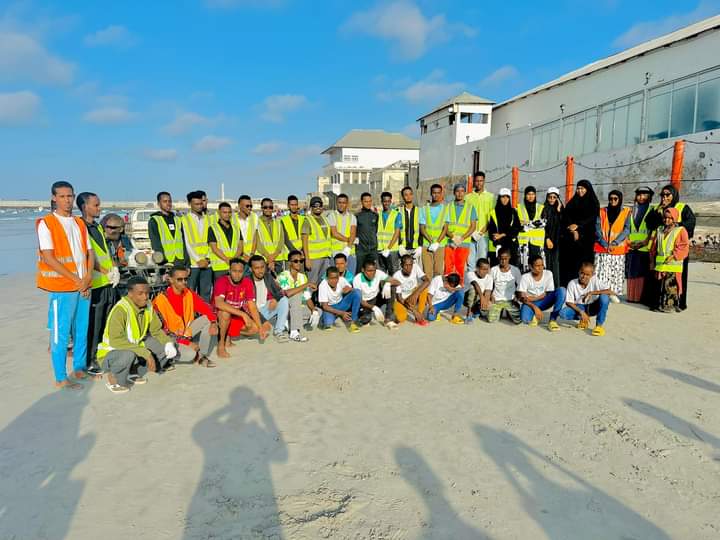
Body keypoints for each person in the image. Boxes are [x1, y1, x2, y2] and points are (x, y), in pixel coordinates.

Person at [37, 181, 93, 390]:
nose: (67, 200)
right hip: (62, 288)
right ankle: (61, 377)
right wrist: (77, 280)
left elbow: (90, 252)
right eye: (62, 196)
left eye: (70, 196)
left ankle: (79, 368)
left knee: (81, 330)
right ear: (54, 198)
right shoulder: (47, 223)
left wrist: (87, 277)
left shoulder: (79, 223)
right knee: (60, 334)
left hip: (83, 286)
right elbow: (50, 258)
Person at [96, 276, 178, 393]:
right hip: (111, 354)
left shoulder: (148, 306)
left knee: (168, 344)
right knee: (128, 355)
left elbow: (156, 330)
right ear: (130, 294)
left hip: (133, 347)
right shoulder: (120, 310)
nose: (145, 297)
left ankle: (133, 371)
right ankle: (113, 378)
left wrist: (168, 343)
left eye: (147, 293)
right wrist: (146, 353)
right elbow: (116, 341)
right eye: (140, 293)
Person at [77, 192, 119, 377]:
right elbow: (87, 256)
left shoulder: (97, 227)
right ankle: (90, 359)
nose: (99, 208)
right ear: (85, 207)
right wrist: (105, 272)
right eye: (96, 205)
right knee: (93, 325)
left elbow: (106, 253)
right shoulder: (80, 227)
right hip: (95, 283)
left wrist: (114, 269)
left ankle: (102, 354)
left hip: (108, 283)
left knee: (105, 323)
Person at [152, 265, 218, 367]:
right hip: (170, 339)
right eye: (180, 279)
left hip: (185, 332)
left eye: (186, 279)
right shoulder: (160, 301)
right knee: (190, 355)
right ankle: (168, 358)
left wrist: (213, 322)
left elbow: (205, 307)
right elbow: (162, 332)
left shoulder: (188, 293)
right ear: (170, 280)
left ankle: (201, 355)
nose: (184, 282)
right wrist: (186, 343)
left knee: (208, 319)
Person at [646, 184, 696, 311]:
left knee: (677, 280)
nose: (664, 197)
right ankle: (656, 303)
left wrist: (676, 224)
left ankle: (678, 303)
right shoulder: (658, 208)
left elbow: (690, 223)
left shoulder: (682, 207)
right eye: (662, 195)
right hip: (660, 250)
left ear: (674, 195)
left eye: (667, 195)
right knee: (657, 280)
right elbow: (650, 224)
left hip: (677, 251)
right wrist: (658, 213)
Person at [213, 259, 266, 357]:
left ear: (244, 272)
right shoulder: (222, 281)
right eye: (234, 271)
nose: (237, 274)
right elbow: (219, 303)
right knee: (225, 313)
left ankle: (228, 334)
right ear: (229, 270)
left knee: (254, 328)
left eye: (240, 271)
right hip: (218, 316)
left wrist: (260, 327)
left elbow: (252, 306)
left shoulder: (247, 282)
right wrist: (243, 314)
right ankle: (221, 346)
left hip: (234, 315)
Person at [648, 207, 689, 313]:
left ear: (675, 218)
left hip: (673, 265)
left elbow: (684, 246)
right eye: (665, 218)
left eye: (670, 218)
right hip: (660, 265)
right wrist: (652, 261)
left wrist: (674, 255)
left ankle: (670, 307)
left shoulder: (680, 230)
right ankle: (657, 305)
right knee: (658, 287)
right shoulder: (659, 230)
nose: (667, 220)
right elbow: (654, 247)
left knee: (670, 287)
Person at [560, 179, 600, 286]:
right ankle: (569, 287)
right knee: (570, 265)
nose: (579, 191)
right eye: (578, 188)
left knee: (584, 266)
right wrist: (572, 230)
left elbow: (591, 219)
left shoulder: (593, 203)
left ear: (587, 189)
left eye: (582, 188)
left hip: (586, 240)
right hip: (571, 241)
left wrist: (578, 226)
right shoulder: (572, 202)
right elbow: (566, 218)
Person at [242, 255, 290, 342]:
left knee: (284, 300)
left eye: (262, 267)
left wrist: (275, 299)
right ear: (250, 269)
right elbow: (247, 307)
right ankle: (247, 331)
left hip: (265, 309)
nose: (260, 270)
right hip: (252, 313)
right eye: (257, 268)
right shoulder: (246, 281)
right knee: (260, 327)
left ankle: (278, 331)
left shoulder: (267, 277)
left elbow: (280, 291)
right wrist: (263, 321)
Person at [559, 261, 614, 336]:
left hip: (593, 306)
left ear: (592, 275)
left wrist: (591, 293)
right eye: (582, 273)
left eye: (587, 274)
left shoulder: (595, 280)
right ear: (579, 272)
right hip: (580, 307)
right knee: (563, 313)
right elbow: (569, 302)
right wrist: (581, 312)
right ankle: (583, 320)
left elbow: (610, 291)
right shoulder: (572, 283)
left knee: (604, 297)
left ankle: (599, 326)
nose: (584, 276)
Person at [594, 190, 630, 297]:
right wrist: (604, 243)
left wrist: (614, 243)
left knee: (615, 272)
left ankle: (613, 294)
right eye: (611, 199)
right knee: (602, 271)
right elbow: (597, 228)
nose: (613, 201)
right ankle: (600, 293)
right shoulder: (601, 211)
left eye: (615, 199)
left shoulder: (626, 212)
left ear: (620, 200)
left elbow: (627, 229)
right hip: (602, 247)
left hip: (617, 249)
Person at [517, 255, 566, 331]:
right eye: (537, 265)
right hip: (530, 303)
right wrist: (534, 307)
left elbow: (548, 293)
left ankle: (552, 320)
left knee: (562, 291)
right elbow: (522, 298)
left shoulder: (548, 273)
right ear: (530, 266)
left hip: (544, 301)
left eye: (542, 265)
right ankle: (535, 316)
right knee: (525, 319)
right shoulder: (525, 277)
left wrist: (534, 298)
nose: (541, 268)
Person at [277, 250, 317, 342]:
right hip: (285, 308)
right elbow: (288, 294)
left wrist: (313, 310)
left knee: (318, 311)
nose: (299, 263)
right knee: (296, 296)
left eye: (301, 261)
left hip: (297, 309)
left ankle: (289, 323)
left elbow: (307, 297)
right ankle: (294, 333)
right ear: (289, 263)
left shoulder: (303, 277)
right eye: (295, 261)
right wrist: (307, 285)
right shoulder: (283, 276)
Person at [625, 186, 656, 303]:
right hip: (631, 247)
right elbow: (627, 228)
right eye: (639, 194)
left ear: (650, 197)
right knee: (631, 272)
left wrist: (644, 242)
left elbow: (653, 230)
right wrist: (629, 242)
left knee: (642, 274)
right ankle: (631, 296)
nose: (641, 197)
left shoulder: (652, 211)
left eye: (645, 195)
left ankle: (640, 297)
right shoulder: (631, 211)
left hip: (645, 248)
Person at [181, 190, 213, 302]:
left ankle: (204, 317)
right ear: (189, 204)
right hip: (193, 264)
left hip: (207, 263)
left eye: (201, 203)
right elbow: (187, 243)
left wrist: (207, 259)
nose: (199, 206)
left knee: (206, 293)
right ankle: (191, 317)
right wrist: (198, 260)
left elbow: (212, 242)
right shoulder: (184, 220)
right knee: (190, 293)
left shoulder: (208, 219)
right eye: (196, 204)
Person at [354, 258, 400, 329]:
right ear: (363, 270)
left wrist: (388, 283)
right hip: (364, 303)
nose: (372, 273)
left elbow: (397, 282)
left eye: (373, 271)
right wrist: (373, 307)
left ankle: (388, 319)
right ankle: (366, 315)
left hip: (376, 299)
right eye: (369, 271)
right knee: (366, 319)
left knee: (392, 288)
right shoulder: (357, 279)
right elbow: (359, 300)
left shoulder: (378, 273)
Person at [444, 183, 477, 284]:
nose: (460, 193)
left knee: (460, 266)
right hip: (450, 241)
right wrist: (453, 237)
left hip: (464, 242)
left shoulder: (471, 208)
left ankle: (459, 287)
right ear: (454, 193)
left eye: (462, 191)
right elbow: (444, 225)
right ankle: (447, 287)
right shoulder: (448, 207)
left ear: (465, 193)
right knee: (448, 266)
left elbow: (473, 226)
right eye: (457, 191)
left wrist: (461, 238)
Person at [317, 266, 361, 332]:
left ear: (338, 277)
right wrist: (342, 313)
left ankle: (353, 322)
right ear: (327, 278)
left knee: (357, 292)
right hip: (330, 307)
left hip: (341, 304)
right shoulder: (323, 285)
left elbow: (354, 292)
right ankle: (333, 317)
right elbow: (325, 306)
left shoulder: (342, 280)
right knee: (328, 323)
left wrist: (349, 290)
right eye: (331, 278)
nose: (334, 281)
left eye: (336, 278)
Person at [208, 202, 244, 281]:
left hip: (235, 266)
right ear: (219, 213)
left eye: (229, 212)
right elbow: (214, 248)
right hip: (220, 267)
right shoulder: (213, 228)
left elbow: (240, 246)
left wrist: (234, 259)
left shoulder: (236, 228)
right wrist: (226, 259)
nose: (227, 214)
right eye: (224, 212)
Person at [301, 196, 332, 287]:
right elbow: (304, 240)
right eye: (315, 206)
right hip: (314, 258)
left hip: (325, 257)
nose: (318, 208)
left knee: (323, 283)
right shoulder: (308, 220)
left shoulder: (325, 219)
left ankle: (319, 301)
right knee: (312, 283)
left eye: (320, 206)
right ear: (311, 208)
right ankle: (309, 300)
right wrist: (307, 259)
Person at [486, 248, 522, 324]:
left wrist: (517, 297)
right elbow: (488, 285)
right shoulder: (493, 270)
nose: (504, 261)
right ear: (498, 258)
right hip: (496, 299)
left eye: (506, 259)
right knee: (492, 320)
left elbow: (520, 286)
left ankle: (508, 312)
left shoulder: (515, 270)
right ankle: (500, 310)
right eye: (501, 259)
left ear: (509, 257)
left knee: (518, 321)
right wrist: (491, 296)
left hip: (511, 299)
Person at [420, 183, 449, 279]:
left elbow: (445, 228)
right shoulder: (424, 209)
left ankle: (436, 294)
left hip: (439, 245)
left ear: (441, 194)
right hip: (427, 244)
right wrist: (431, 241)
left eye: (438, 193)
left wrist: (436, 243)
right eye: (434, 193)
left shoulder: (445, 209)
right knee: (427, 272)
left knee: (438, 272)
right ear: (431, 193)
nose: (436, 195)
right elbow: (422, 228)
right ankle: (427, 293)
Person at [465, 170, 495, 263]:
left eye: (481, 181)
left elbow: (492, 217)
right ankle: (471, 278)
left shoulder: (491, 197)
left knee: (482, 261)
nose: (479, 183)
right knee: (470, 261)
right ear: (474, 182)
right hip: (470, 234)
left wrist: (481, 232)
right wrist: (472, 232)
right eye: (477, 181)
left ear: (484, 181)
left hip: (483, 235)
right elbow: (466, 216)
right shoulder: (468, 197)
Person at [392, 253, 430, 326]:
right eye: (406, 265)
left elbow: (427, 280)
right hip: (401, 300)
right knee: (401, 318)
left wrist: (415, 294)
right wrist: (414, 311)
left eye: (410, 265)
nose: (409, 268)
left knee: (424, 289)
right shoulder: (396, 276)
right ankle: (395, 312)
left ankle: (419, 315)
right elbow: (399, 298)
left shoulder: (415, 267)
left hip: (412, 296)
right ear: (401, 265)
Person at [149, 191, 185, 264]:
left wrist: (185, 259)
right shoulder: (154, 220)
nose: (168, 203)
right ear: (159, 204)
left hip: (180, 259)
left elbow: (184, 240)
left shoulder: (178, 219)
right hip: (165, 261)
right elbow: (155, 243)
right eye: (165, 201)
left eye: (170, 201)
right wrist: (162, 259)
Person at [487, 188, 521, 266]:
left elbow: (516, 228)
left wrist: (502, 235)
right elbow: (491, 229)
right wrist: (495, 237)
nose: (505, 199)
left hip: (511, 246)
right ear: (499, 198)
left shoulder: (513, 212)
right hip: (497, 246)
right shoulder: (493, 212)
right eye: (503, 197)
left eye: (507, 197)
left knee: (511, 269)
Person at [327, 193, 357, 275]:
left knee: (350, 277)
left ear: (347, 204)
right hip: (336, 252)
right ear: (336, 203)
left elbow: (353, 233)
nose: (341, 205)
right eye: (339, 202)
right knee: (335, 277)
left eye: (344, 203)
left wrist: (348, 248)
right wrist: (349, 240)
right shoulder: (331, 216)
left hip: (349, 252)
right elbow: (334, 233)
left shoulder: (352, 217)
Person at [517, 186, 545, 272]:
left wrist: (526, 223)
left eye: (533, 194)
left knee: (536, 266)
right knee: (523, 266)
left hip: (537, 242)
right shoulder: (519, 207)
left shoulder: (540, 207)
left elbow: (543, 223)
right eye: (528, 194)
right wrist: (533, 223)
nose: (531, 196)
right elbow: (517, 223)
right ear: (525, 195)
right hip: (523, 243)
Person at [256, 198, 285, 274]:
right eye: (265, 207)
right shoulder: (256, 223)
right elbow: (258, 244)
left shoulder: (278, 222)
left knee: (279, 283)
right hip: (263, 260)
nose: (268, 209)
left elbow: (281, 241)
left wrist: (273, 257)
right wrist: (269, 258)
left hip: (278, 259)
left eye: (270, 207)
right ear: (262, 208)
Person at [541, 187, 563, 288]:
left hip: (558, 242)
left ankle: (557, 287)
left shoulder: (561, 210)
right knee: (547, 264)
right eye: (550, 197)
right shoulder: (544, 209)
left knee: (556, 266)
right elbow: (542, 226)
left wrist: (559, 210)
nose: (552, 199)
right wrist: (547, 238)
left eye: (554, 197)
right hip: (547, 241)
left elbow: (563, 223)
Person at [377, 191, 402, 276]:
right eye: (384, 201)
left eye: (388, 201)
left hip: (392, 250)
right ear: (381, 202)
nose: (386, 203)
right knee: (381, 274)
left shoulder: (397, 215)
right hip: (380, 249)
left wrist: (388, 248)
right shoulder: (378, 215)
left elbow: (397, 233)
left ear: (391, 201)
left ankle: (394, 289)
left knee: (394, 273)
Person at [398, 186, 422, 267]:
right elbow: (396, 230)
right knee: (402, 274)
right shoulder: (398, 211)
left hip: (415, 248)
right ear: (402, 196)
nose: (408, 196)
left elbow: (422, 229)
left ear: (413, 195)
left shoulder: (419, 211)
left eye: (410, 194)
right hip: (403, 248)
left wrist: (420, 246)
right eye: (406, 195)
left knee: (415, 274)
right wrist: (399, 245)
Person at [355, 192, 379, 269]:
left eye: (370, 201)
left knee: (373, 271)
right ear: (362, 202)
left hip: (373, 250)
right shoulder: (357, 216)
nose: (368, 203)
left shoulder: (375, 215)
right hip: (361, 250)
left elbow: (376, 230)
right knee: (359, 271)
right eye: (366, 201)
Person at [465, 258, 493, 322]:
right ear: (477, 268)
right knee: (473, 289)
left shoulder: (489, 278)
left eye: (486, 269)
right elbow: (475, 284)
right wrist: (482, 297)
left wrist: (485, 303)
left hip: (479, 298)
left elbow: (488, 292)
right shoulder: (470, 274)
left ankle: (476, 311)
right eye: (483, 269)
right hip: (467, 298)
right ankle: (469, 313)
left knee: (490, 304)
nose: (485, 271)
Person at [280, 195, 305, 262]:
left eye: (296, 204)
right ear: (288, 206)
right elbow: (285, 239)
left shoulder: (303, 219)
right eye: (292, 205)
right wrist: (296, 252)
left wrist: (302, 251)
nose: (294, 207)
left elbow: (306, 237)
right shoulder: (283, 220)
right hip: (290, 255)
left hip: (302, 254)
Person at [233, 195, 258, 261]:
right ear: (239, 206)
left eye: (251, 206)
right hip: (238, 256)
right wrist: (243, 255)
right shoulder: (232, 219)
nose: (249, 208)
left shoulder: (254, 217)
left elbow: (255, 237)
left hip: (251, 256)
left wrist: (251, 255)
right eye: (247, 206)